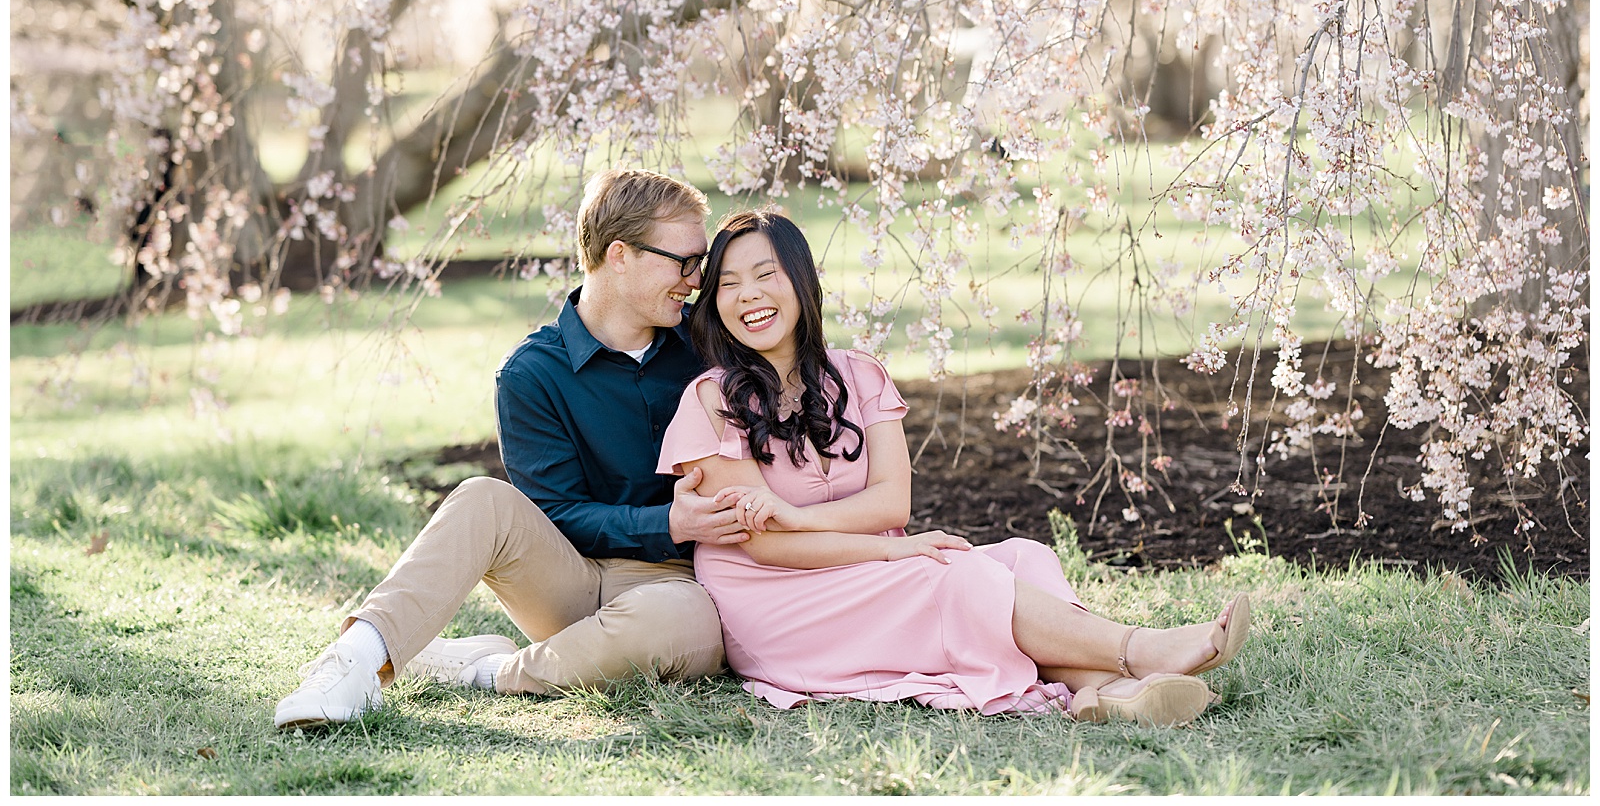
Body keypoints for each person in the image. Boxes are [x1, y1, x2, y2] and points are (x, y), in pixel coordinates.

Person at [657, 209, 1251, 725]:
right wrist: (896, 551)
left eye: (766, 275)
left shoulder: (859, 375)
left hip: (864, 573)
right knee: (956, 576)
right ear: (715, 304)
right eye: (729, 284)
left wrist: (809, 518)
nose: (749, 295)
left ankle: (1104, 692)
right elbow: (768, 547)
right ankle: (1143, 650)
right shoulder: (711, 400)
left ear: (801, 282)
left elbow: (893, 505)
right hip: (777, 602)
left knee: (1025, 556)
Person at [275, 169, 750, 729]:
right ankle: (352, 663)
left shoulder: (712, 343)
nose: (696, 281)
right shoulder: (531, 374)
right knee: (481, 498)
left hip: (675, 585)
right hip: (568, 582)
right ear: (619, 255)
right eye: (684, 262)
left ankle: (489, 670)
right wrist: (668, 520)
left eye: (701, 262)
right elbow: (556, 515)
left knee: (688, 620)